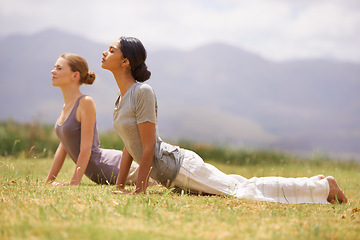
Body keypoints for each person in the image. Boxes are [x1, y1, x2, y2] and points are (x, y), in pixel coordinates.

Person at [101, 37, 348, 204]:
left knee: (242, 191)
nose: (104, 52)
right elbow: (129, 145)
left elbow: (146, 149)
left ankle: (325, 188)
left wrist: (140, 190)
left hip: (178, 166)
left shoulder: (142, 92)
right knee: (239, 185)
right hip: (170, 175)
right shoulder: (122, 98)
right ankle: (315, 183)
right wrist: (120, 184)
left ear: (125, 62)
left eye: (111, 50)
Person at [45, 53, 156, 186]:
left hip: (112, 166)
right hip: (99, 173)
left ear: (75, 75)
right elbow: (63, 145)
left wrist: (73, 184)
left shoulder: (85, 102)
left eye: (59, 68)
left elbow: (86, 148)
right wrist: (48, 181)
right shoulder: (66, 107)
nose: (53, 71)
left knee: (160, 180)